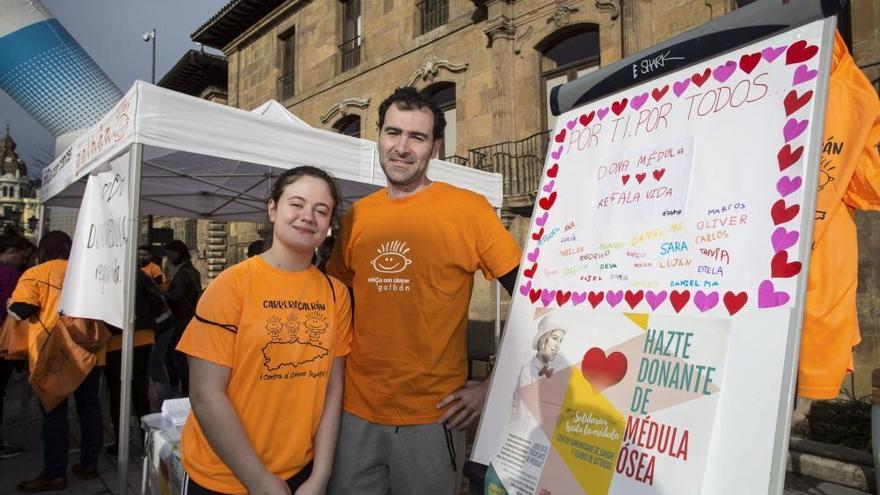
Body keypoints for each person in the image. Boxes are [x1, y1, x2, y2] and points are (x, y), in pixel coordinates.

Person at [326, 87, 521, 494]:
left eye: (416, 137)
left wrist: (492, 387)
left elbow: (531, 301)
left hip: (434, 419)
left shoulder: (469, 210)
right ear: (377, 135)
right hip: (354, 413)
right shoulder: (358, 216)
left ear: (435, 147)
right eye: (393, 133)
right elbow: (336, 304)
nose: (401, 147)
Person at [177, 166, 351, 494]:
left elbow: (333, 388)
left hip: (300, 474)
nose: (307, 217)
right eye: (296, 204)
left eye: (321, 210)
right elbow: (205, 394)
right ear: (273, 210)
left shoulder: (335, 294)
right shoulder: (231, 285)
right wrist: (259, 481)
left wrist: (320, 475)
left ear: (329, 224)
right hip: (223, 476)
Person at [798, 32, 880, 399]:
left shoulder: (846, 92)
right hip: (800, 290)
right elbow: (869, 188)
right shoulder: (847, 90)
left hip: (806, 292)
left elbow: (868, 187)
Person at [12, 232, 103, 492]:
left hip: (51, 354)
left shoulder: (35, 273)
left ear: (43, 250)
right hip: (89, 352)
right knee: (89, 407)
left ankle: (54, 473)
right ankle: (89, 464)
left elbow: (21, 309)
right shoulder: (88, 271)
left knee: (53, 413)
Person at [103, 269, 164, 456]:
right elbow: (158, 302)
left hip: (114, 338)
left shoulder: (102, 271)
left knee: (117, 391)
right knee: (139, 389)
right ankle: (146, 441)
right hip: (143, 335)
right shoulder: (139, 272)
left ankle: (121, 442)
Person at [0, 232, 29, 460]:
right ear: (10, 253)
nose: (23, 262)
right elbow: (15, 310)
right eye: (22, 257)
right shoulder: (10, 273)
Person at [511, 315, 566, 427]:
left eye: (561, 340)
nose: (558, 346)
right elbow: (522, 418)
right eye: (554, 338)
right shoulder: (526, 373)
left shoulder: (554, 374)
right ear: (542, 339)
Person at [163, 239, 201, 395]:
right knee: (178, 358)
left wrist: (161, 294)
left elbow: (177, 297)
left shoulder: (183, 274)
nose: (167, 256)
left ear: (176, 254)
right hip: (188, 320)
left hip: (182, 321)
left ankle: (184, 391)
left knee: (176, 358)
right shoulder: (191, 271)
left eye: (169, 253)